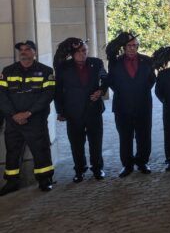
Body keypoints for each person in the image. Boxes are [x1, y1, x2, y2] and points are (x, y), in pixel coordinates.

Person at [0, 41, 56, 195]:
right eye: (21, 50)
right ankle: (11, 182)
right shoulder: (8, 71)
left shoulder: (46, 71)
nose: (23, 52)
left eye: (27, 49)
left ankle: (45, 180)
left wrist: (28, 113)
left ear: (34, 52)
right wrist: (13, 115)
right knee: (12, 152)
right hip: (13, 121)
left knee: (41, 150)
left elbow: (47, 95)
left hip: (35, 120)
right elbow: (2, 95)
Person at [54, 38, 108, 182]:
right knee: (76, 144)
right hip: (73, 112)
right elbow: (58, 90)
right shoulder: (63, 66)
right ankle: (79, 170)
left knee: (96, 142)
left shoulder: (96, 63)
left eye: (84, 50)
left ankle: (97, 169)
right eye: (78, 51)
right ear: (72, 53)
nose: (82, 53)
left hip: (93, 111)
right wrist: (60, 111)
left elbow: (106, 79)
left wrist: (101, 91)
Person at [106, 31, 156, 178]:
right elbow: (112, 82)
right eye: (129, 46)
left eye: (135, 45)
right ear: (124, 47)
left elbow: (151, 79)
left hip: (143, 104)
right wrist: (125, 92)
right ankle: (127, 165)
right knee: (125, 136)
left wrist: (140, 90)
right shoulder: (115, 62)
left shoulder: (147, 61)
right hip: (122, 105)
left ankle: (142, 162)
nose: (132, 48)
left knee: (144, 135)